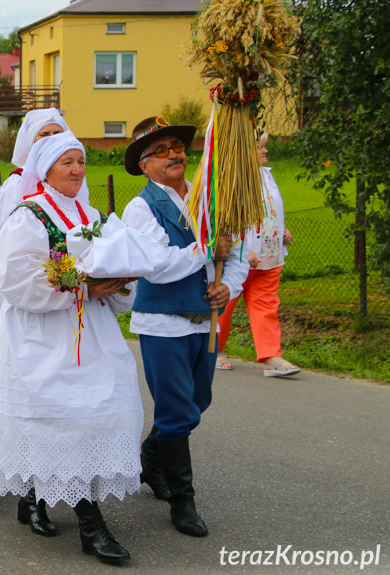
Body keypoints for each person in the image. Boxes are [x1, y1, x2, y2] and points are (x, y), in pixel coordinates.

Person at [0, 131, 165, 565]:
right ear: (45, 169)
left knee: (92, 416)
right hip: (43, 335)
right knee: (59, 420)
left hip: (92, 333)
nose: (77, 170)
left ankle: (34, 495)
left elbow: (115, 276)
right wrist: (79, 287)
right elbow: (17, 282)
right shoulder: (28, 216)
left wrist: (118, 285)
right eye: (67, 162)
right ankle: (89, 523)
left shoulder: (94, 215)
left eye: (81, 162)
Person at [121, 116, 248, 537]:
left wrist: (227, 286)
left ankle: (150, 459)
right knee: (177, 414)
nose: (174, 154)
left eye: (176, 146)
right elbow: (156, 267)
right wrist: (208, 248)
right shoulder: (140, 208)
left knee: (197, 405)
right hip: (163, 324)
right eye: (160, 150)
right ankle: (182, 500)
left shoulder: (208, 198)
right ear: (143, 164)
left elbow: (238, 253)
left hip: (204, 323)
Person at [217, 133, 299, 377]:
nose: (265, 151)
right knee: (225, 303)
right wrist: (242, 247)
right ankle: (215, 350)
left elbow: (271, 209)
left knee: (267, 306)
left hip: (270, 256)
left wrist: (282, 230)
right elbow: (224, 219)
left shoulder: (266, 175)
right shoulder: (232, 180)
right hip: (242, 257)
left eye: (264, 147)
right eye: (260, 148)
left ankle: (271, 356)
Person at [0, 108, 68, 235]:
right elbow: (6, 229)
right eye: (44, 134)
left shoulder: (72, 176)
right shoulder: (17, 182)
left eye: (57, 133)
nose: (51, 139)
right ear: (32, 140)